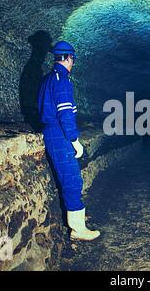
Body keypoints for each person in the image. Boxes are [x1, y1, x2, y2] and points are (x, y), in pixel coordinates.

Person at [37, 41, 100, 241]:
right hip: (59, 133)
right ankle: (77, 229)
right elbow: (65, 114)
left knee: (70, 178)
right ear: (68, 58)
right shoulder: (62, 79)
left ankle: (77, 222)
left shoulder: (48, 78)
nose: (73, 62)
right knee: (72, 180)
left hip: (52, 131)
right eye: (73, 58)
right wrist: (74, 141)